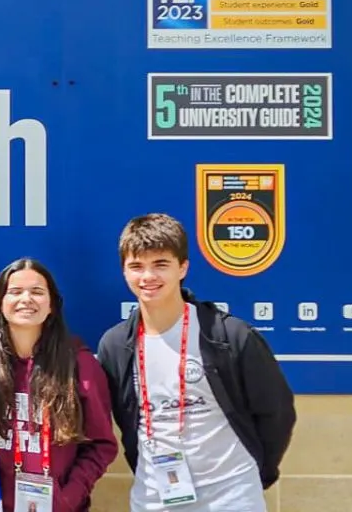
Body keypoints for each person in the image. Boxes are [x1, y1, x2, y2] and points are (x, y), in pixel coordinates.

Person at [95, 213, 297, 511]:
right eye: (136, 266)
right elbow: (126, 423)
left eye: (160, 264)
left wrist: (254, 473)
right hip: (155, 497)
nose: (148, 277)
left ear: (183, 268)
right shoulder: (115, 345)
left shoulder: (229, 335)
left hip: (231, 495)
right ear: (124, 272)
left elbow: (276, 413)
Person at [0, 258, 118, 512]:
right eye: (15, 292)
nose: (26, 299)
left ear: (52, 304)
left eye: (37, 292)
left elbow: (101, 445)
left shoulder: (80, 365)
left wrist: (67, 498)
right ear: (0, 303)